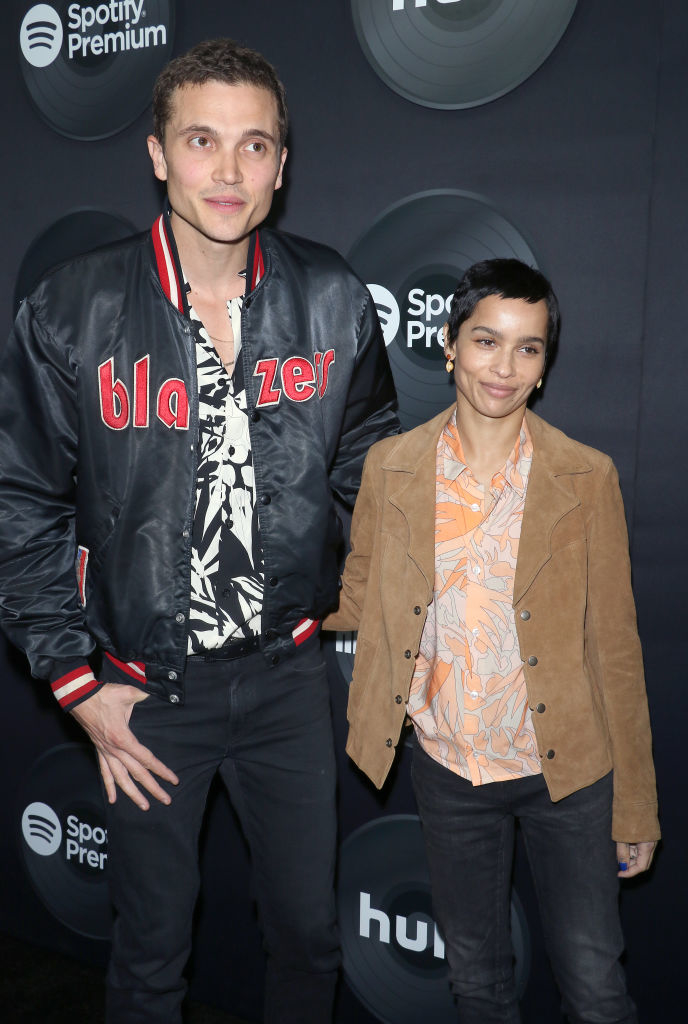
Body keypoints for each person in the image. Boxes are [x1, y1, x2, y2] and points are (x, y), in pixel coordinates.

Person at [0, 38, 398, 1024]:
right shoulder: (72, 307)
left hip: (289, 685)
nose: (228, 170)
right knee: (147, 956)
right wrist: (78, 687)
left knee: (308, 940)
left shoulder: (335, 298)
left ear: (282, 164)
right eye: (203, 141)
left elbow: (375, 481)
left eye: (254, 145)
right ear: (156, 154)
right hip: (146, 691)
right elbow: (20, 504)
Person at [324, 258, 659, 1023]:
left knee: (597, 990)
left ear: (545, 365)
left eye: (528, 348)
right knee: (477, 986)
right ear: (448, 346)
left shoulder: (586, 477)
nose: (504, 367)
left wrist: (635, 806)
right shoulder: (392, 467)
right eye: (485, 341)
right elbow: (356, 595)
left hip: (568, 776)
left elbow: (616, 648)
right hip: (448, 771)